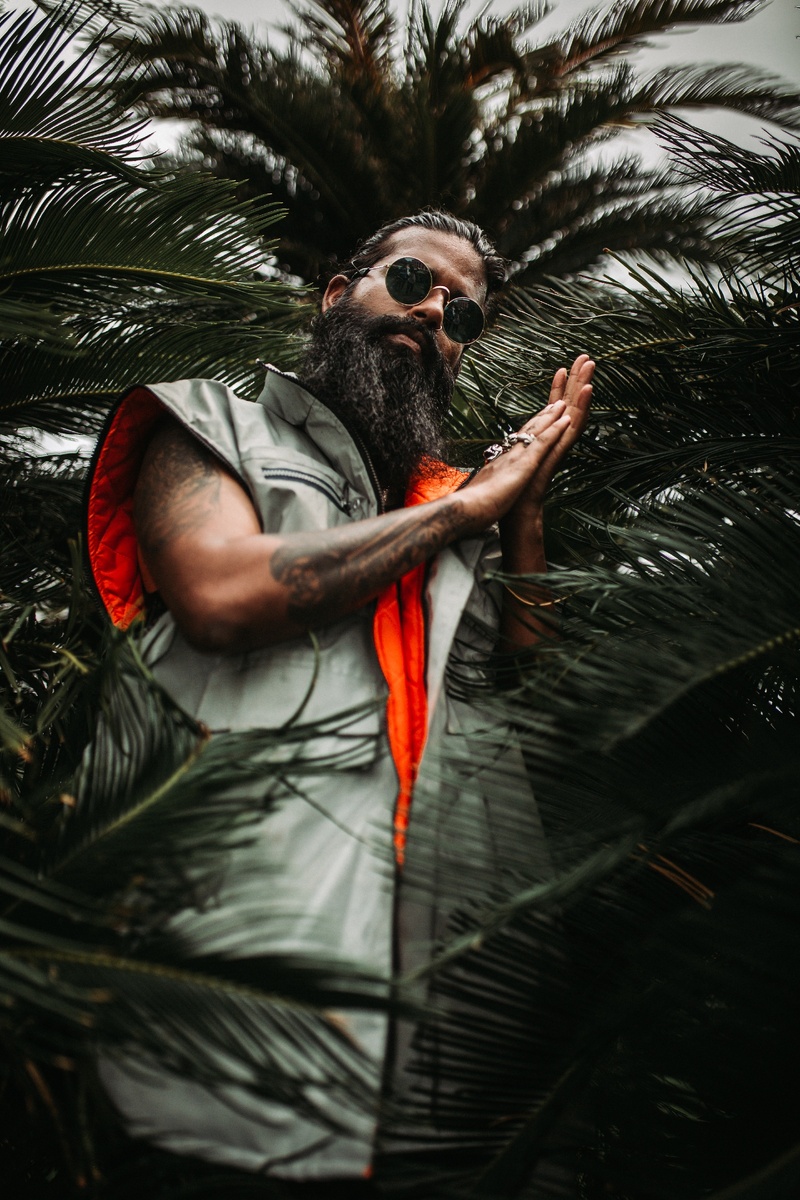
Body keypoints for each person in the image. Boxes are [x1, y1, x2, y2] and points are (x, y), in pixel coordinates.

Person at [84, 210, 594, 1191]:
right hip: (235, 1040)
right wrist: (468, 508)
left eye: (461, 316)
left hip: (456, 1069)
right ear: (335, 293)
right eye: (409, 281)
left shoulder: (459, 505)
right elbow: (219, 594)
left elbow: (532, 700)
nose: (432, 315)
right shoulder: (205, 426)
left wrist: (520, 513)